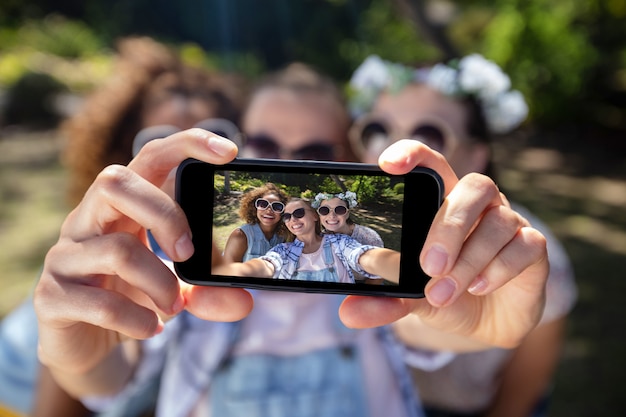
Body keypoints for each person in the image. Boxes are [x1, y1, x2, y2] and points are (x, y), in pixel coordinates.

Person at [32, 62, 549, 417]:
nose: (293, 166)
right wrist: (78, 357)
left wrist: (454, 288)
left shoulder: (352, 259)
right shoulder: (183, 260)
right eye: (266, 146)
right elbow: (108, 379)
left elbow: (425, 320)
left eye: (316, 150)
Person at [0, 35, 246, 417]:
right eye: (158, 140)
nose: (187, 155)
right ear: (124, 160)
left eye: (216, 134)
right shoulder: (94, 265)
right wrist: (80, 365)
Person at [348, 54, 577, 417]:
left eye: (429, 134)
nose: (394, 148)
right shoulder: (342, 222)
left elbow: (522, 392)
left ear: (476, 154)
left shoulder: (528, 254)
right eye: (377, 129)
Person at [216, 198, 392, 284]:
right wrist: (239, 271)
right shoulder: (283, 250)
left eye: (299, 213)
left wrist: (393, 265)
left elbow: (363, 256)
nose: (293, 219)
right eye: (287, 216)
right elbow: (267, 265)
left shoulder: (339, 242)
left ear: (315, 216)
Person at [222, 183, 290, 263]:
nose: (269, 210)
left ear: (284, 211)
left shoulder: (285, 236)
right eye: (263, 204)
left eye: (277, 207)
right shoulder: (241, 235)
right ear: (255, 208)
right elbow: (228, 270)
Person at [312, 190, 384, 247]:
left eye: (340, 210)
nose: (332, 216)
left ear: (347, 214)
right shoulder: (320, 238)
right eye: (324, 210)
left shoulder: (369, 237)